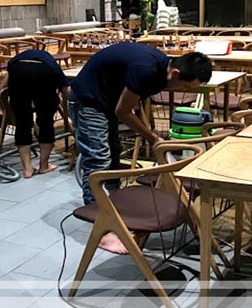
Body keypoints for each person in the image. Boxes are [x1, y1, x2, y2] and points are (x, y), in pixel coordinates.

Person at [68, 43, 212, 254]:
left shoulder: (161, 69)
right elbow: (123, 112)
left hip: (107, 99)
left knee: (114, 153)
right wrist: (152, 137)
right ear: (175, 73)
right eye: (184, 86)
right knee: (98, 160)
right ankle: (101, 229)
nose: (183, 91)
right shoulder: (146, 69)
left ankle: (115, 209)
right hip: (87, 101)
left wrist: (150, 135)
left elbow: (132, 103)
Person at [6, 48, 68, 178]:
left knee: (22, 122)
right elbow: (65, 88)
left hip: (17, 70)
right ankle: (44, 166)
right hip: (43, 71)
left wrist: (6, 108)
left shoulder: (17, 62)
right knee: (46, 121)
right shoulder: (51, 63)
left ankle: (27, 169)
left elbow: (2, 89)